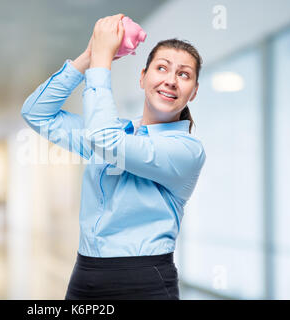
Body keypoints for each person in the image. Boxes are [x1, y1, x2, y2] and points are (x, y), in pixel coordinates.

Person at [21, 14, 206, 300]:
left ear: (193, 92)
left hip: (145, 282)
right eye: (162, 68)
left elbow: (106, 142)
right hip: (85, 274)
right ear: (143, 77)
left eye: (183, 75)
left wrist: (102, 63)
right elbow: (36, 113)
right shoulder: (113, 131)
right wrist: (89, 56)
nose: (171, 80)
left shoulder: (186, 151)